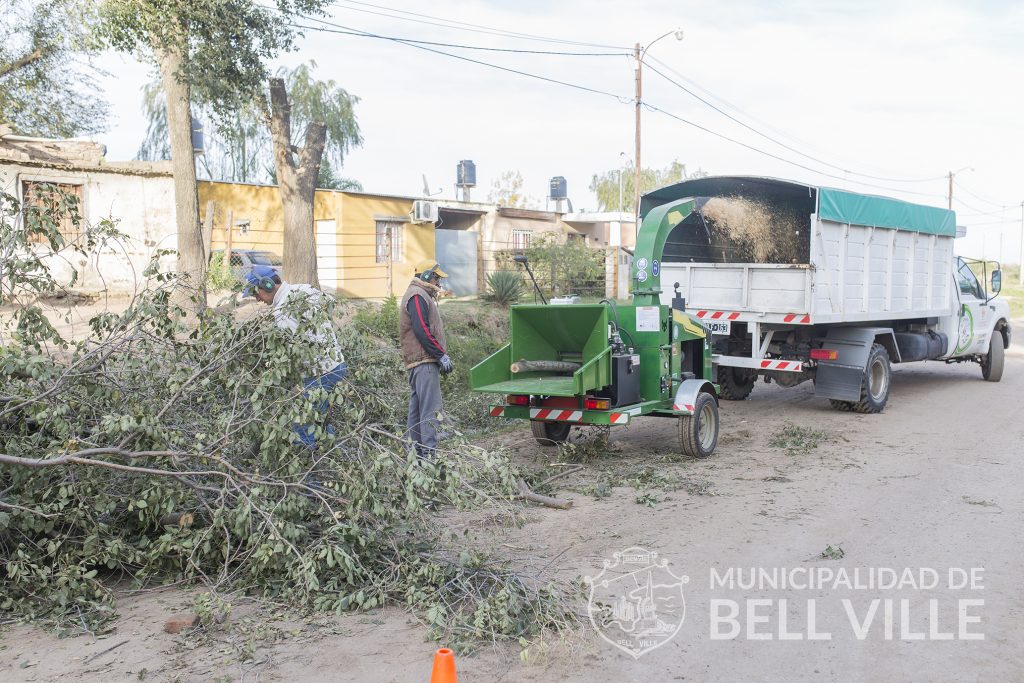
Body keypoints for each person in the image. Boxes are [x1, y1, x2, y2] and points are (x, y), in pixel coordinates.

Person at [244, 265, 346, 448]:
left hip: (321, 373)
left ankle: (310, 474)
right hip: (335, 365)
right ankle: (333, 461)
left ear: (267, 285)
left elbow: (292, 353)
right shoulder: (301, 289)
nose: (257, 299)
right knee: (320, 419)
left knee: (302, 424)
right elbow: (329, 301)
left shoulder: (283, 310)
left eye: (256, 293)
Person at [400, 260, 453, 458]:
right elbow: (421, 329)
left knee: (416, 412)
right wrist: (440, 355)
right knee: (430, 411)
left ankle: (414, 457)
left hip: (419, 362)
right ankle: (429, 457)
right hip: (424, 362)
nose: (439, 282)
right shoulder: (417, 295)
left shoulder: (419, 295)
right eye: (437, 277)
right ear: (426, 276)